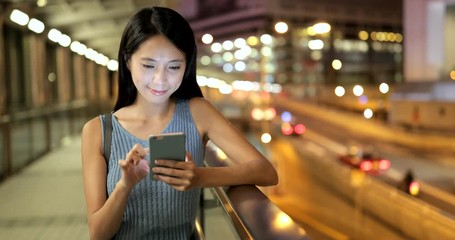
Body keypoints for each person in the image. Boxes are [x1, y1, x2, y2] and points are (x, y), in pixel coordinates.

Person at [81, 6, 278, 240]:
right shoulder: (98, 131)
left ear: (186, 67)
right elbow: (98, 234)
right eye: (148, 65)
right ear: (127, 60)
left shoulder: (198, 112)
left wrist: (200, 177)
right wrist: (125, 185)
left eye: (174, 67)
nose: (160, 79)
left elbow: (266, 172)